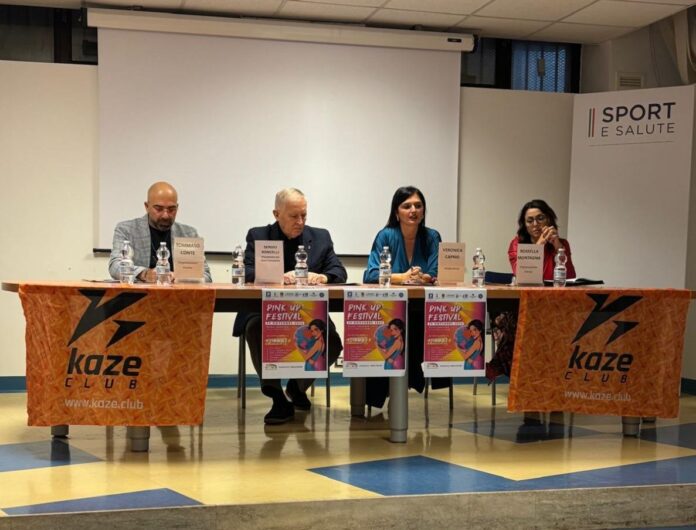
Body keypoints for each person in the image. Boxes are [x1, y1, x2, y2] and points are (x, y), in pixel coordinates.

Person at [232, 188, 347, 425]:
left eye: (304, 215)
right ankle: (276, 396)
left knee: (332, 341)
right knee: (255, 329)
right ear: (277, 214)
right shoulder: (259, 235)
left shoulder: (321, 237)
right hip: (265, 309)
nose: (300, 222)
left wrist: (323, 277)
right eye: (294, 216)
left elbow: (338, 271)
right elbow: (246, 270)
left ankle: (296, 387)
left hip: (307, 311)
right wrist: (277, 277)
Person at [363, 186, 447, 408]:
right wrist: (402, 277)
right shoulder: (386, 235)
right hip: (388, 309)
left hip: (421, 307)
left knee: (420, 323)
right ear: (396, 211)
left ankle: (404, 386)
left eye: (418, 206)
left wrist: (424, 277)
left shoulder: (432, 236)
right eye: (407, 206)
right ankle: (385, 392)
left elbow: (435, 271)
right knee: (392, 328)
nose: (413, 210)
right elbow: (371, 275)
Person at [108, 181, 212, 283]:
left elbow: (206, 276)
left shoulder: (189, 234)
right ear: (147, 206)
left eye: (171, 209)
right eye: (158, 209)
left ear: (177, 208)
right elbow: (115, 266)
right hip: (139, 293)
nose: (165, 215)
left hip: (177, 293)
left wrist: (181, 277)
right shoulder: (126, 229)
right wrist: (144, 274)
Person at [507, 199, 576, 281]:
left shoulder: (562, 243)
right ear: (524, 224)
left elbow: (570, 277)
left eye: (540, 218)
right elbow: (522, 275)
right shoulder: (517, 244)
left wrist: (558, 248)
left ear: (548, 219)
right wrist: (540, 244)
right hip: (527, 289)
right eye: (530, 221)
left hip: (555, 289)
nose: (535, 224)